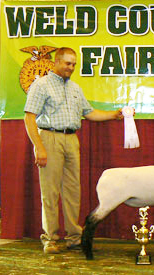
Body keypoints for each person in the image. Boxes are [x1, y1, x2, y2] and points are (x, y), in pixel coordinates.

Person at [24, 47, 123, 254]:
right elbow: (29, 117)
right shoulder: (40, 85)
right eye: (68, 63)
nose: (71, 67)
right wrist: (39, 147)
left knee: (72, 190)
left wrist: (114, 115)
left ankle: (74, 237)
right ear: (56, 62)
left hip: (71, 140)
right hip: (49, 138)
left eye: (74, 64)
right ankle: (50, 238)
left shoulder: (75, 88)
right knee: (49, 191)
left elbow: (90, 113)